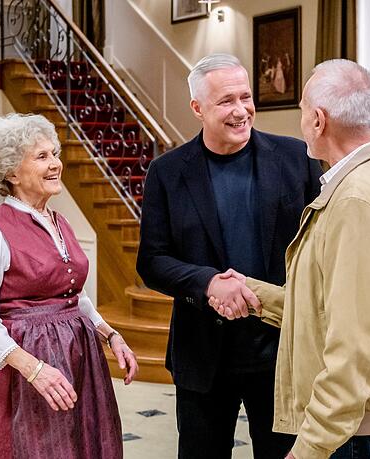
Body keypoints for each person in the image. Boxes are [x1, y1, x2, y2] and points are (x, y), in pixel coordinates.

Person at [210, 59, 370, 459]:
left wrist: (311, 447)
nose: (302, 120)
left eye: (303, 110)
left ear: (318, 121)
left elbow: (355, 344)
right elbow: (333, 307)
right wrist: (254, 294)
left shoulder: (357, 200)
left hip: (361, 431)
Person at [136, 53, 322, 459]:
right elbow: (151, 261)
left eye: (245, 97)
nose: (240, 110)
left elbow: (321, 247)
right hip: (203, 356)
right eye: (226, 101)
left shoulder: (297, 158)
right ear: (197, 108)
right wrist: (207, 283)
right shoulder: (167, 172)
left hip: (281, 353)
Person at [0, 113, 138, 458]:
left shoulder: (61, 222)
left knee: (85, 444)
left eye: (55, 154)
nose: (56, 164)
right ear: (12, 172)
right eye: (42, 156)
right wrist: (35, 370)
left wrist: (110, 335)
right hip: (29, 366)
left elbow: (75, 296)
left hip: (80, 357)